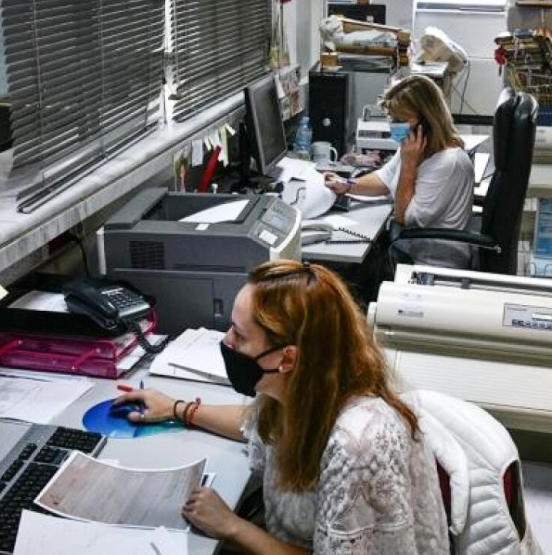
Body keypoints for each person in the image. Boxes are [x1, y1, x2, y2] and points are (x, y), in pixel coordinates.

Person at [114, 261, 450, 554]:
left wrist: (233, 526)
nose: (227, 341)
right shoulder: (306, 385)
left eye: (240, 335)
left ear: (287, 358)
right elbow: (258, 423)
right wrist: (177, 408)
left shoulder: (358, 444)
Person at [324, 75, 474, 268]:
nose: (393, 125)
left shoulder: (448, 162)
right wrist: (347, 185)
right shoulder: (414, 147)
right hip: (408, 251)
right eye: (392, 119)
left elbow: (404, 217)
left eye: (400, 120)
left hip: (432, 264)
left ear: (426, 121)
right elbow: (384, 179)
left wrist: (409, 166)